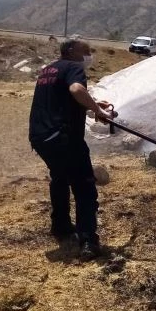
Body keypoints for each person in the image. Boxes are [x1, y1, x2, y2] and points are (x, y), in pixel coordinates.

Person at [28, 39, 116, 259]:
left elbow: (63, 100)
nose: (89, 55)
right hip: (64, 138)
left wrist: (94, 105)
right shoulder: (73, 67)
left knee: (59, 177)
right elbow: (76, 89)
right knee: (84, 185)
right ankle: (88, 241)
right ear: (69, 51)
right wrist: (99, 111)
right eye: (85, 51)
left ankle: (61, 227)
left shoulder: (48, 70)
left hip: (41, 138)